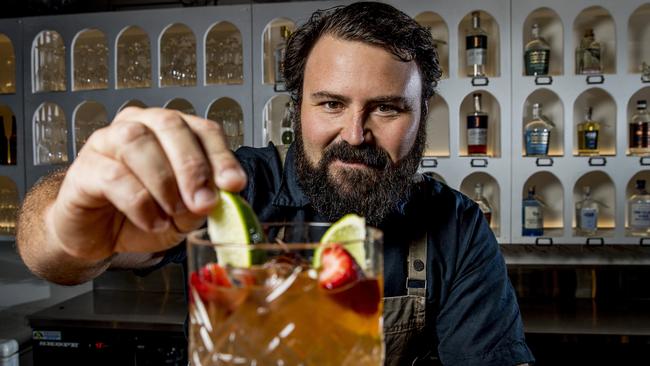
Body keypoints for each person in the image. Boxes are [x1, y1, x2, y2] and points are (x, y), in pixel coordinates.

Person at [16, 2, 534, 365]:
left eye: (387, 108)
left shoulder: (457, 228)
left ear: (423, 117)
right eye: (331, 103)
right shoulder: (231, 190)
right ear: (297, 109)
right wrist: (71, 225)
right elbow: (54, 256)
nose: (355, 133)